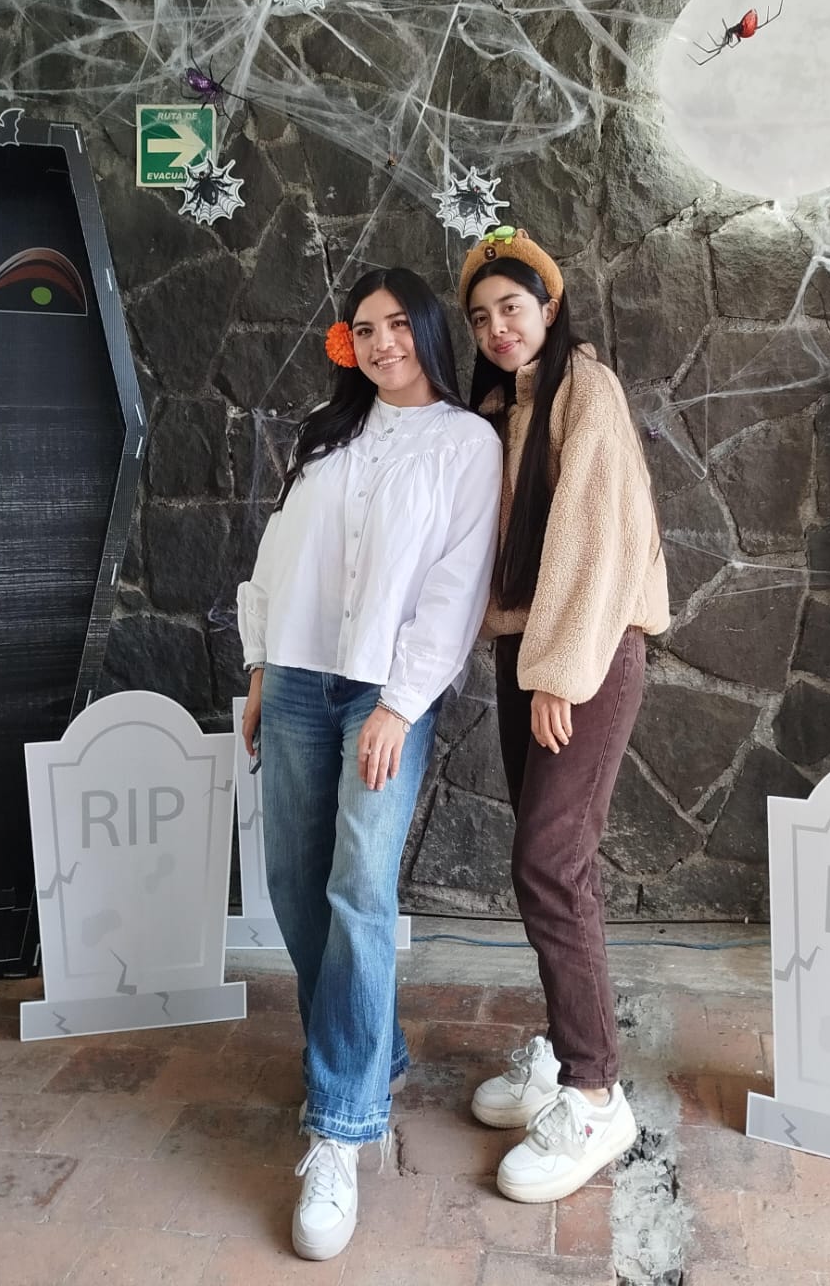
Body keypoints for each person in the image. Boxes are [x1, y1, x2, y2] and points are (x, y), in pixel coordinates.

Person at [237, 266, 501, 1262]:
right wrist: (259, 666)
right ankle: (369, 1051)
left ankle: (341, 1126)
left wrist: (399, 702)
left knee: (358, 889)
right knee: (292, 884)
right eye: (364, 327)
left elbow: (455, 585)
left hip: (381, 693)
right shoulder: (326, 428)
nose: (383, 341)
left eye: (398, 324)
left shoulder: (465, 443)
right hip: (295, 677)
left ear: (426, 331)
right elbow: (276, 554)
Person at [458, 226, 670, 1204]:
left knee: (549, 861)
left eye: (511, 307)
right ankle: (560, 1051)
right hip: (530, 652)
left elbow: (599, 536)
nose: (497, 328)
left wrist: (557, 673)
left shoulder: (585, 384)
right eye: (480, 317)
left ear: (548, 305)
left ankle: (592, 1094)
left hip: (581, 655)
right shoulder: (505, 405)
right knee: (546, 862)